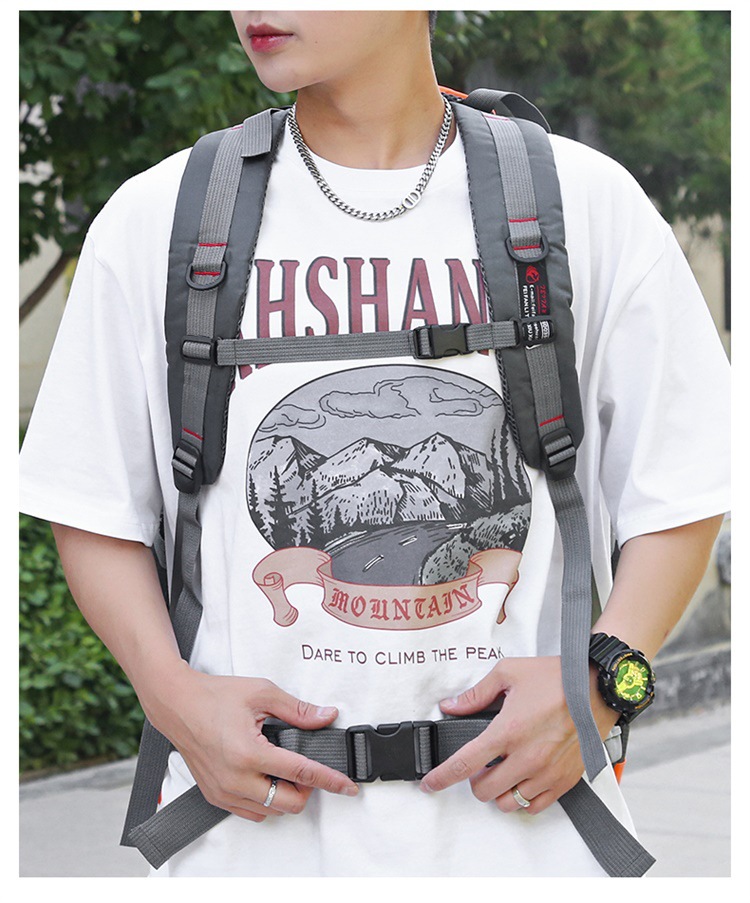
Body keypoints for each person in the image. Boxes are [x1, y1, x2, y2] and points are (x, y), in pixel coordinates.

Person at [19, 10, 730, 877]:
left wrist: (599, 684)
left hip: (533, 846)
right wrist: (175, 701)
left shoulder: (583, 204)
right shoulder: (158, 218)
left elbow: (681, 488)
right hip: (246, 851)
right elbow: (92, 503)